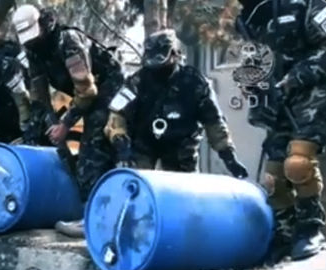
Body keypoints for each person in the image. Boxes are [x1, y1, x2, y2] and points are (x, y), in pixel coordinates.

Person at [11, 5, 124, 238]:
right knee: (59, 147)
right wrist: (38, 125)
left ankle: (93, 219)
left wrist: (65, 123)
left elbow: (87, 91)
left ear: (43, 25)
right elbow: (38, 93)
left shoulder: (67, 41)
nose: (32, 42)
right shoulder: (34, 50)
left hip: (108, 90)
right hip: (86, 95)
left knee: (92, 154)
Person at [235, 0, 326, 261]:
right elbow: (256, 56)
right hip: (277, 101)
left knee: (298, 163)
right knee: (273, 179)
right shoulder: (251, 14)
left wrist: (295, 77)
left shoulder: (307, 5)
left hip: (313, 93)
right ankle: (284, 235)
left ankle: (310, 229)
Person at [103, 29, 248, 179]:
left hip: (182, 146)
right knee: (138, 183)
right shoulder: (137, 81)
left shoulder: (195, 83)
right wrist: (120, 142)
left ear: (176, 54)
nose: (157, 70)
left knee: (184, 190)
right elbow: (117, 114)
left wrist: (229, 157)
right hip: (143, 143)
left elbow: (214, 121)